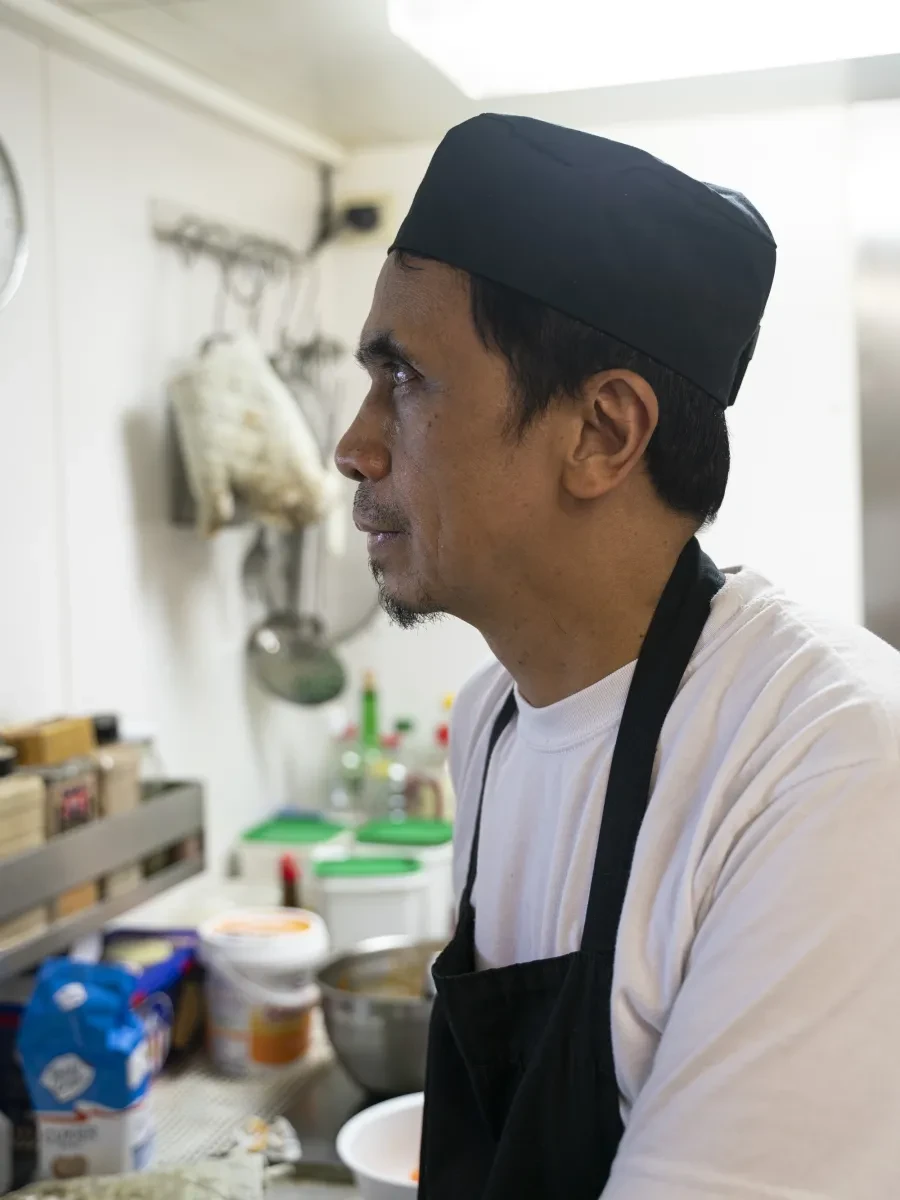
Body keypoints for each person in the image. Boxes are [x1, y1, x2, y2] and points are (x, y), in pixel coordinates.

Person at [335, 113, 900, 1200]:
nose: (354, 447)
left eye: (403, 377)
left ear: (602, 432)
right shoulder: (492, 721)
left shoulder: (829, 761)